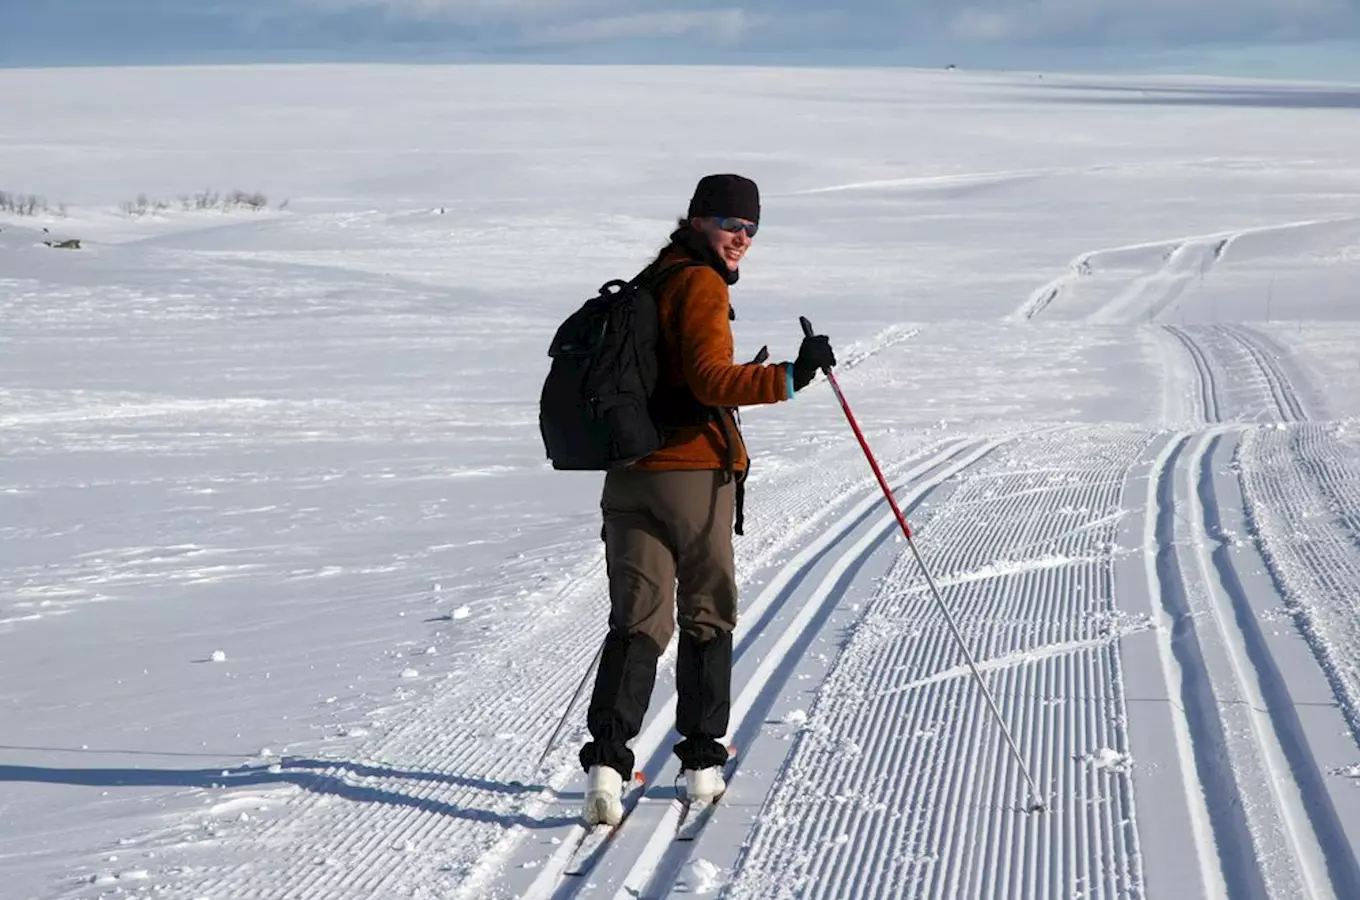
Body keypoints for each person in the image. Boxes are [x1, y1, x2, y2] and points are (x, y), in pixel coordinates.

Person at [578, 173, 837, 825]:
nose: (741, 239)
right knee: (706, 611)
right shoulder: (697, 282)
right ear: (698, 220)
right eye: (730, 225)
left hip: (629, 475)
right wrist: (792, 375)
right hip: (692, 471)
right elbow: (710, 379)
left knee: (636, 621)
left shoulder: (654, 277)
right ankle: (700, 766)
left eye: (751, 230)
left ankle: (606, 770)